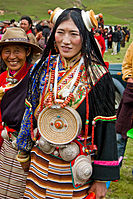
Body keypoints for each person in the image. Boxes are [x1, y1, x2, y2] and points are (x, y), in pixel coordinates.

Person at [16, 7, 120, 199]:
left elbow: (106, 127)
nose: (65, 40)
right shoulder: (43, 67)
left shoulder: (98, 75)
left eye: (74, 34)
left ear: (85, 36)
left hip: (74, 165)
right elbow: (29, 111)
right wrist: (23, 149)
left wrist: (100, 180)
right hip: (40, 157)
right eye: (60, 32)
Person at [0, 27, 42, 198]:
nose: (12, 57)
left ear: (27, 52)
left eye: (17, 51)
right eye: (7, 51)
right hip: (4, 144)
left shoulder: (36, 77)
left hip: (27, 148)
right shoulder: (2, 78)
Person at [116, 41, 133, 166]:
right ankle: (115, 167)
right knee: (120, 132)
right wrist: (130, 79)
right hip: (131, 92)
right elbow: (127, 65)